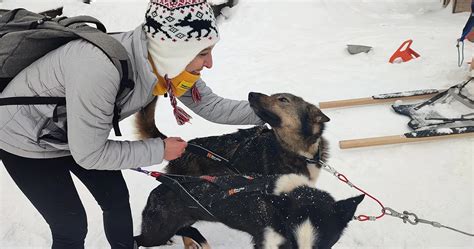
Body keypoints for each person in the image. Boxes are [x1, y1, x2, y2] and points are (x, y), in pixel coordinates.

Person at [0, 0, 263, 248]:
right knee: (70, 224)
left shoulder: (164, 64)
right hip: (23, 141)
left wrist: (281, 116)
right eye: (203, 53)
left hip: (74, 132)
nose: (209, 63)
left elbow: (211, 105)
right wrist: (159, 150)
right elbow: (90, 155)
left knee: (115, 199)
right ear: (175, 49)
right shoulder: (99, 68)